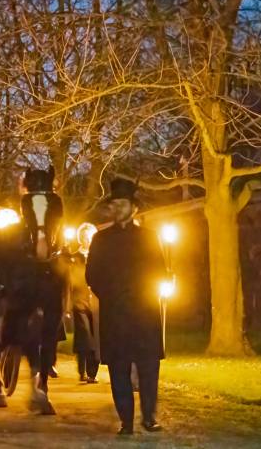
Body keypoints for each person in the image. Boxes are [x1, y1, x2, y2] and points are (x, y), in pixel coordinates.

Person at [86, 178, 167, 435]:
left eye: (123, 204)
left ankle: (149, 416)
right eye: (115, 204)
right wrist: (110, 296)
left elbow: (158, 269)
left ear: (134, 208)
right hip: (115, 312)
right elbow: (92, 275)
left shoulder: (149, 237)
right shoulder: (100, 239)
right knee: (119, 368)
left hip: (144, 311)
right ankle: (127, 421)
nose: (118, 208)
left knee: (148, 367)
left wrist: (144, 293)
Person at [66, 229, 99, 383]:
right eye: (85, 236)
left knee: (95, 335)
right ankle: (82, 370)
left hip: (96, 302)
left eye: (90, 236)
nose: (88, 239)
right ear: (81, 238)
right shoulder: (74, 257)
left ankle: (92, 372)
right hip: (79, 301)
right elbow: (70, 281)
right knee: (84, 335)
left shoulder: (98, 255)